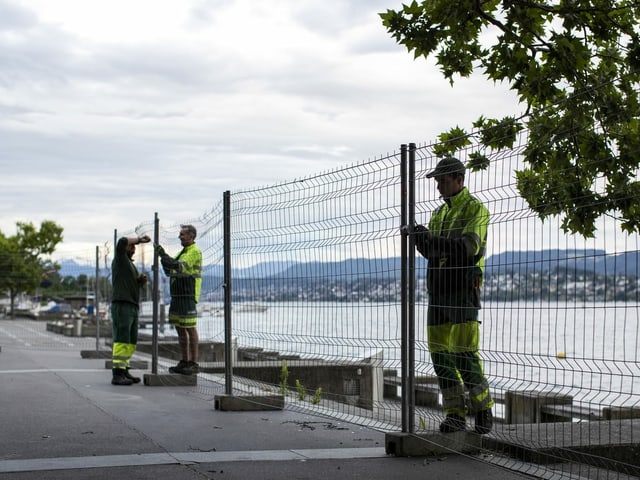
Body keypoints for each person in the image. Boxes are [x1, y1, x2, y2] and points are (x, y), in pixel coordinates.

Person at [414, 157, 494, 434]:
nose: (438, 186)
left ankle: (483, 411)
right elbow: (432, 251)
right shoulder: (438, 214)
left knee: (464, 355)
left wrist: (429, 241)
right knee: (440, 358)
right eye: (437, 181)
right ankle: (455, 415)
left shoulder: (476, 210)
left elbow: (467, 248)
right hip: (437, 292)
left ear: (459, 180)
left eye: (443, 180)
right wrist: (421, 237)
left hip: (462, 292)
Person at [156, 224, 203, 375]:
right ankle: (184, 361)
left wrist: (163, 256)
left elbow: (178, 266)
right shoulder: (182, 252)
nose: (180, 237)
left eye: (182, 234)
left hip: (188, 294)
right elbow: (169, 269)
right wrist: (165, 259)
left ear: (191, 236)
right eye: (180, 234)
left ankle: (194, 363)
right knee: (179, 327)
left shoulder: (194, 251)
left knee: (189, 327)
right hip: (177, 295)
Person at [111, 234, 151, 386]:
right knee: (122, 339)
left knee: (130, 341)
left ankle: (124, 369)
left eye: (135, 247)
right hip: (122, 305)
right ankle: (117, 374)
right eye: (132, 246)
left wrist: (140, 281)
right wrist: (140, 240)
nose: (134, 249)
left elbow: (130, 285)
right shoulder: (120, 259)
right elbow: (122, 240)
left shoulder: (129, 264)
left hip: (132, 305)